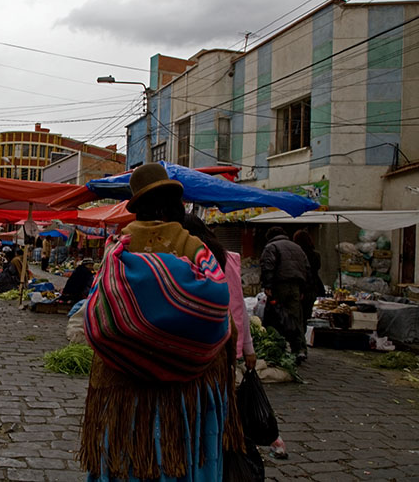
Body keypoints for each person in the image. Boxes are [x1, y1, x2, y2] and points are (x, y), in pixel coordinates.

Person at [79, 163, 243, 481]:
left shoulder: (117, 248)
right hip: (190, 393)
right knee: (186, 457)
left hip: (125, 390)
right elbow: (224, 318)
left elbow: (96, 314)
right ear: (175, 205)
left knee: (126, 461)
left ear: (136, 207)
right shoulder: (197, 247)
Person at [183, 214, 256, 370]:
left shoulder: (186, 260)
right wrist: (248, 348)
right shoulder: (228, 258)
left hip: (198, 343)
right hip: (226, 340)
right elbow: (238, 304)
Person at [260, 226, 311, 362]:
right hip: (296, 286)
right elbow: (306, 268)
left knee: (276, 316)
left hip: (279, 285)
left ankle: (277, 347)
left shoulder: (271, 247)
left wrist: (267, 285)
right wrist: (303, 289)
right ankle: (299, 348)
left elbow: (267, 266)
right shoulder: (297, 248)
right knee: (295, 317)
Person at [293, 229, 324, 335]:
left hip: (301, 286)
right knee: (307, 312)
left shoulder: (297, 255)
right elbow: (317, 268)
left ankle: (299, 335)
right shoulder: (316, 255)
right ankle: (305, 334)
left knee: (298, 313)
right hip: (313, 286)